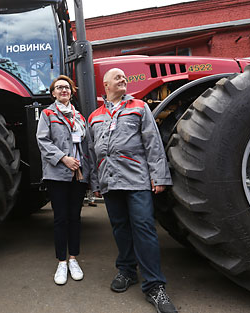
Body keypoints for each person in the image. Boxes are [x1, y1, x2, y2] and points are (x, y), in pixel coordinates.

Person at [88, 68, 178, 313]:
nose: (123, 79)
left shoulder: (139, 107)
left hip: (137, 179)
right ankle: (127, 271)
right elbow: (91, 151)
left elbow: (153, 143)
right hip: (110, 182)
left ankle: (154, 286)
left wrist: (158, 176)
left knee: (144, 228)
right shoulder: (95, 116)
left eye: (124, 77)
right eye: (117, 77)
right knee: (119, 227)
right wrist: (95, 184)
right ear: (106, 85)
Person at [36, 75, 92, 285]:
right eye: (59, 88)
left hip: (78, 174)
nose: (63, 90)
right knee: (60, 218)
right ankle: (61, 262)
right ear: (53, 93)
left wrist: (88, 172)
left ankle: (73, 259)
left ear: (71, 91)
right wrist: (63, 159)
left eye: (66, 88)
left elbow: (86, 146)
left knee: (75, 218)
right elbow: (43, 141)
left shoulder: (79, 117)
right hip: (58, 174)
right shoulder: (47, 114)